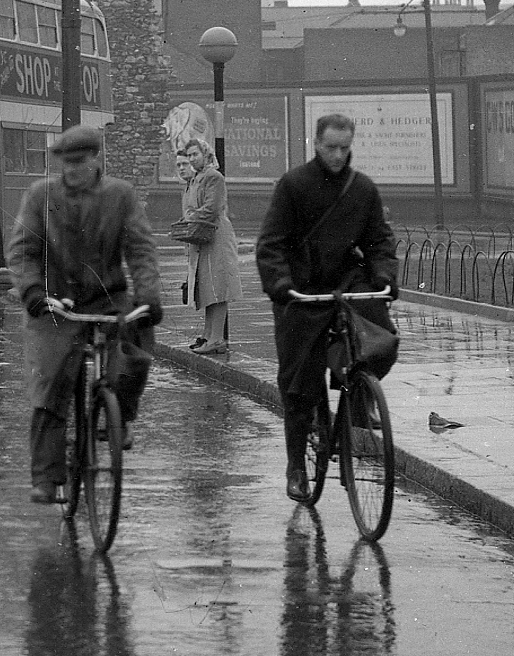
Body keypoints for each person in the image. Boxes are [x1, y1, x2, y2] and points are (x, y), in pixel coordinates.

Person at [6, 124, 163, 505]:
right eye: (67, 162)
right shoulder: (41, 196)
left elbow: (140, 249)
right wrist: (34, 293)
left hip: (107, 297)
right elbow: (23, 251)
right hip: (55, 304)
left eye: (81, 161)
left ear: (96, 159)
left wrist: (148, 295)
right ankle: (46, 478)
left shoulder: (120, 196)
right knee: (51, 379)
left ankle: (119, 416)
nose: (73, 169)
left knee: (135, 347)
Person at [255, 112, 398, 503]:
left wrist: (384, 276)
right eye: (331, 147)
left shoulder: (362, 190)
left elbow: (379, 240)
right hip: (300, 291)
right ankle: (297, 467)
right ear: (316, 144)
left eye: (344, 148)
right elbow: (270, 244)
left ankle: (358, 397)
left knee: (378, 335)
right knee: (300, 382)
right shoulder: (293, 186)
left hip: (344, 284)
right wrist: (281, 285)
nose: (337, 155)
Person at [164, 107, 242, 355]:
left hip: (216, 235)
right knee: (207, 289)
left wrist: (190, 218)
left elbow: (212, 208)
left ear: (205, 154)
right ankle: (208, 335)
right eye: (190, 155)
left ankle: (217, 339)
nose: (192, 158)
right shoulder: (196, 179)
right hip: (204, 237)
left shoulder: (213, 177)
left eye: (195, 154)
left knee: (218, 289)